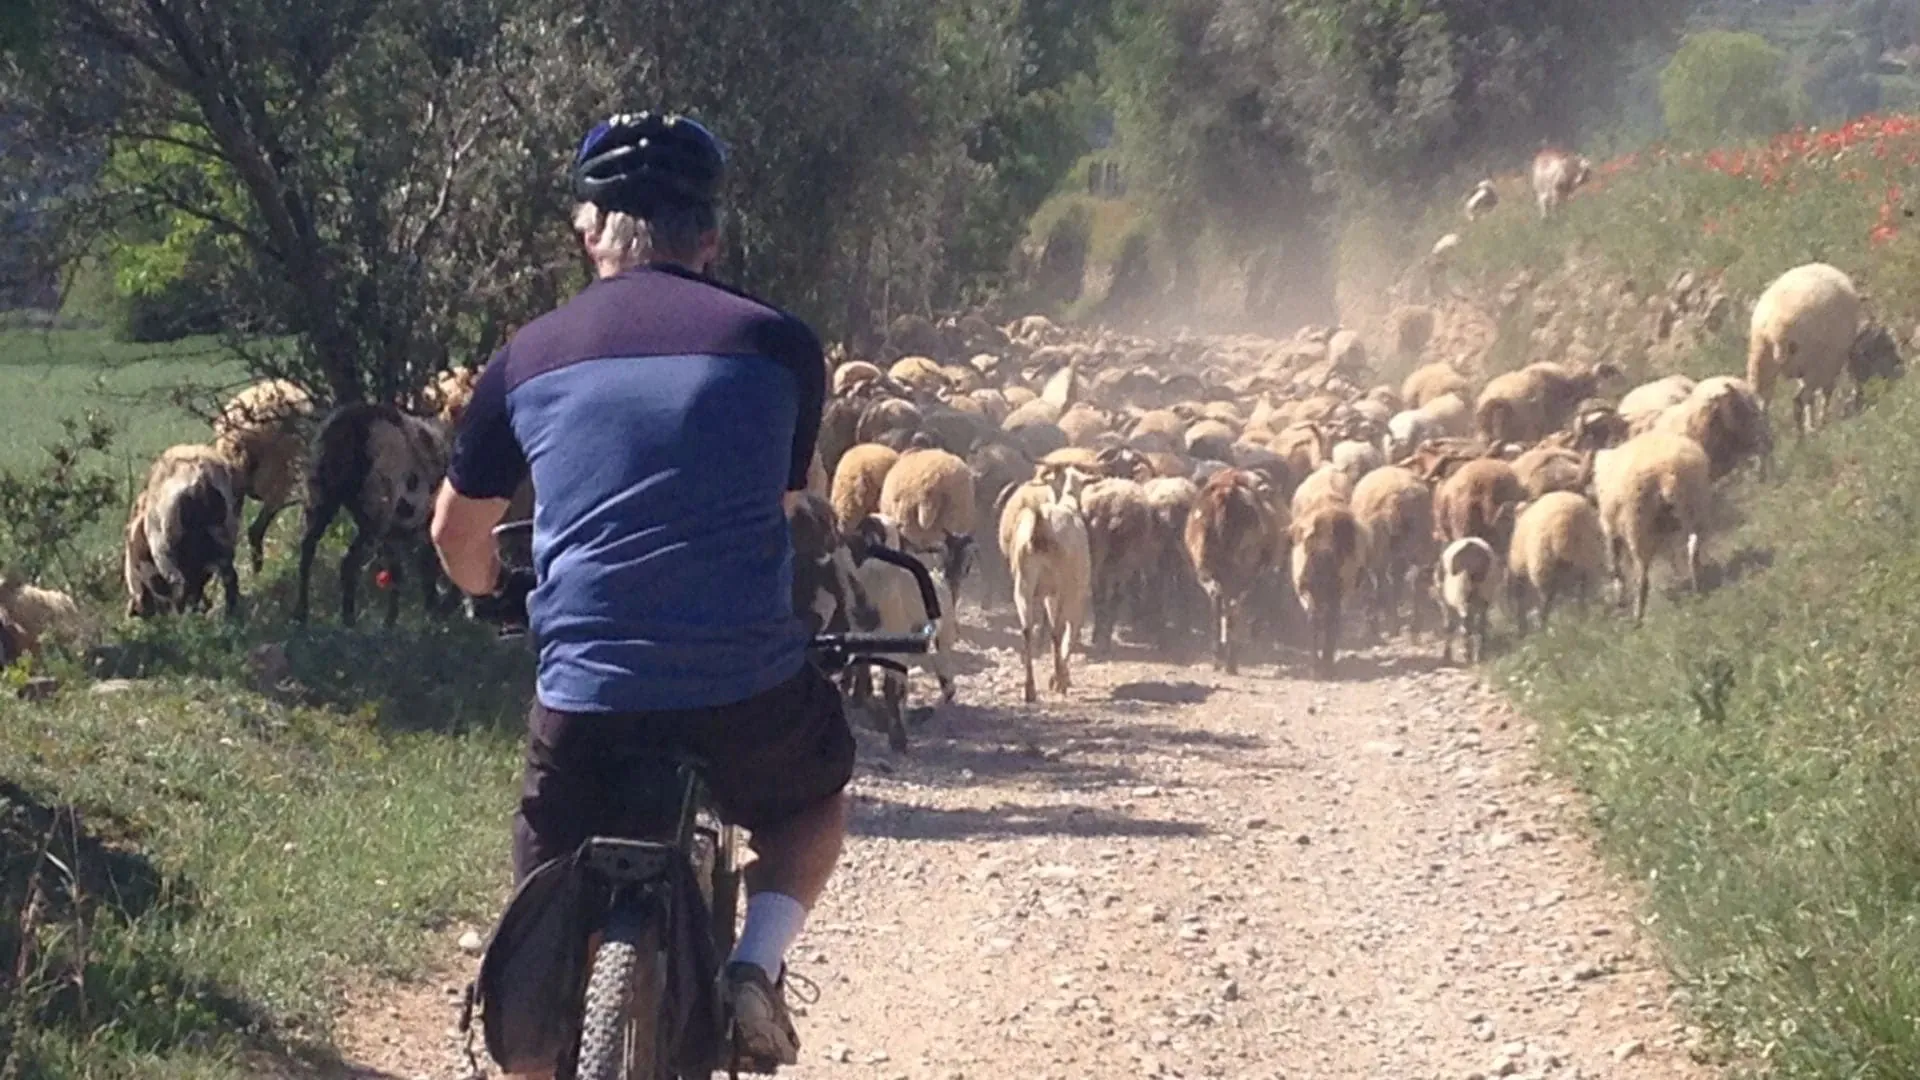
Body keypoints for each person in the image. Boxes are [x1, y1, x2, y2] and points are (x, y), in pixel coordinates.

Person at [429, 111, 843, 1073]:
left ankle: (536, 1035)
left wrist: (494, 592)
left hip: (589, 696)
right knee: (813, 800)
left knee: (542, 904)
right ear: (710, 237)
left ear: (588, 230)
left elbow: (455, 530)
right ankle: (753, 967)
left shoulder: (526, 356)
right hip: (746, 686)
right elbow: (781, 496)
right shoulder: (780, 345)